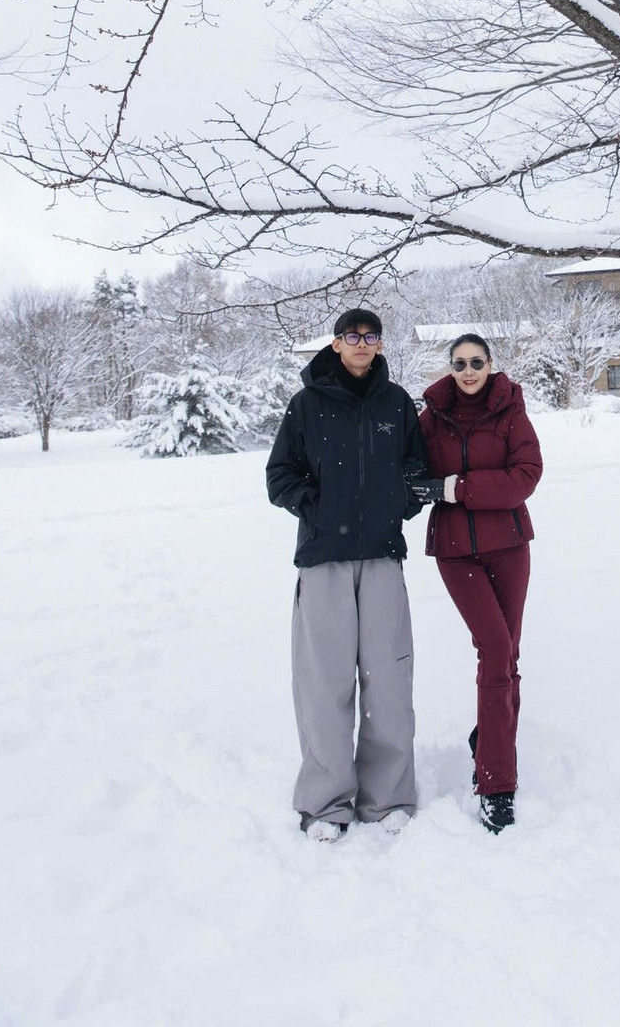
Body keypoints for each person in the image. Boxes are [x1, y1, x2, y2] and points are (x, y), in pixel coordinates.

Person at [266, 307, 427, 843]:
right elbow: (279, 476)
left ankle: (387, 797)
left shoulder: (397, 403)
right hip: (324, 561)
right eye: (351, 336)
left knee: (388, 678)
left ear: (380, 344)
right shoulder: (306, 405)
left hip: (382, 557)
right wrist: (315, 506)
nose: (362, 343)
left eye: (371, 336)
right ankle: (326, 802)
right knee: (324, 682)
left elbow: (418, 470)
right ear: (336, 344)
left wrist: (398, 503)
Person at [415, 335, 542, 833]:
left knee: (506, 652)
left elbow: (526, 474)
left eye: (477, 363)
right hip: (455, 551)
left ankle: (488, 738)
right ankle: (497, 784)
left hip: (509, 547)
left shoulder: (510, 410)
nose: (468, 371)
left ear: (491, 365)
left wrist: (456, 488)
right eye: (460, 363)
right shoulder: (431, 416)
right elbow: (410, 469)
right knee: (493, 647)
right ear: (450, 367)